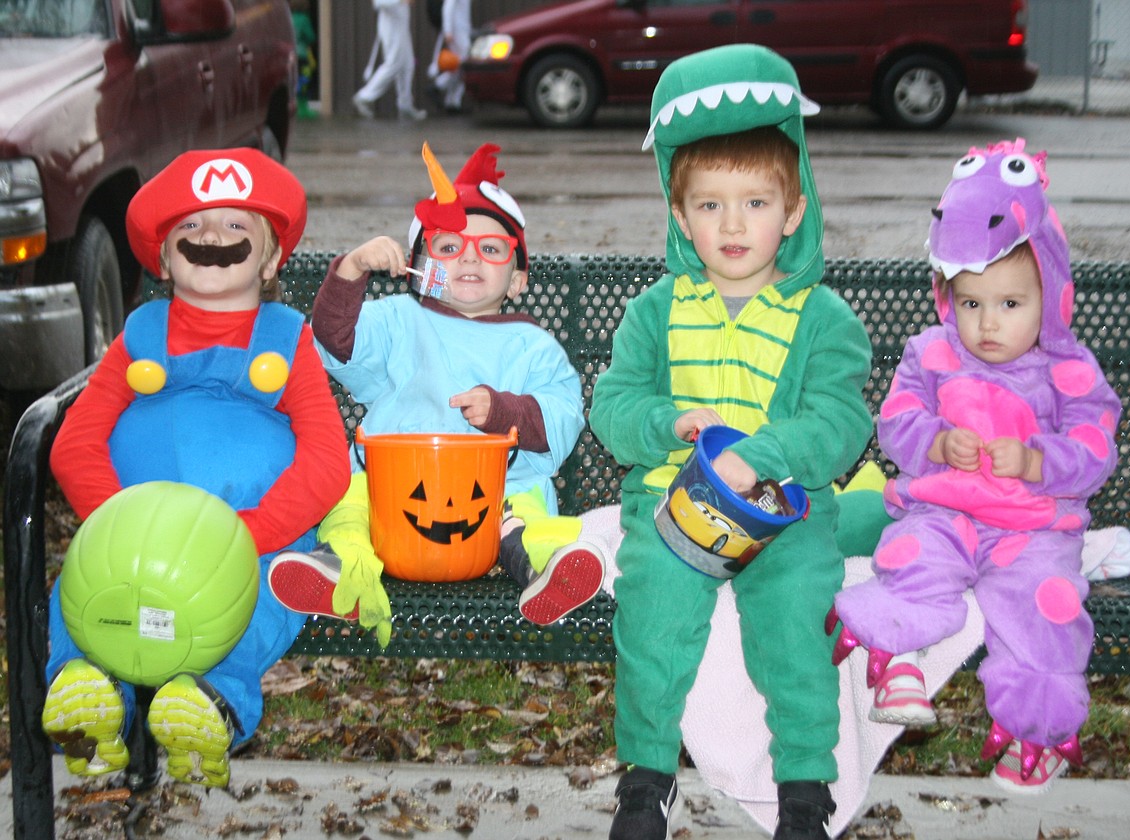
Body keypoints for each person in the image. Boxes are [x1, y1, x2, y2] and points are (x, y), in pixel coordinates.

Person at [588, 45, 873, 840]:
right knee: (652, 618)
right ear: (680, 217)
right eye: (710, 206)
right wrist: (661, 425)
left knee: (793, 620)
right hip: (674, 506)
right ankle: (646, 779)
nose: (733, 224)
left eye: (755, 203)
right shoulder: (656, 310)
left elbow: (842, 426)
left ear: (794, 209)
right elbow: (612, 405)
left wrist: (767, 453)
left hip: (784, 513)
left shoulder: (823, 318)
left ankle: (805, 792)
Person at [42, 148, 352, 786]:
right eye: (191, 226)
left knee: (280, 581)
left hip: (251, 536)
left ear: (269, 260)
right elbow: (76, 442)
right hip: (137, 537)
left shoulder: (286, 339)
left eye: (236, 227)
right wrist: (115, 523)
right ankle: (88, 690)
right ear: (163, 257)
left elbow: (327, 457)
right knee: (85, 577)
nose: (211, 238)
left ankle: (213, 699)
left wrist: (251, 532)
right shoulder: (141, 334)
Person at [829, 139, 1122, 795]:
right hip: (944, 513)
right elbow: (895, 422)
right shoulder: (931, 354)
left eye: (1010, 305)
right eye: (971, 304)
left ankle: (1037, 729)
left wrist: (1038, 458)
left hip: (1033, 529)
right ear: (946, 296)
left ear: (1049, 295)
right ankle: (895, 659)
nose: (988, 324)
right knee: (911, 555)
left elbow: (1097, 448)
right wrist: (934, 442)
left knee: (1044, 605)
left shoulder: (1067, 368)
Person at [266, 142, 605, 635]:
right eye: (449, 246)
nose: (469, 257)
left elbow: (564, 414)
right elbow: (338, 341)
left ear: (517, 280)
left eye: (491, 249)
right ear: (418, 270)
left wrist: (504, 411)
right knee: (349, 497)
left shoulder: (534, 347)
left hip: (489, 497)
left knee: (524, 511)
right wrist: (351, 270)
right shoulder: (400, 320)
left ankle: (545, 568)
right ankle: (341, 569)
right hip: (391, 491)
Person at [353, 0, 428, 121]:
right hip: (391, 29)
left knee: (408, 64)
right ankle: (364, 97)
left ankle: (405, 104)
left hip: (401, 27)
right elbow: (378, 3)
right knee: (393, 64)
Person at [427, 0, 470, 112]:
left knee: (456, 65)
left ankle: (452, 102)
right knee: (464, 65)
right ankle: (437, 87)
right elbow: (448, 6)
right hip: (458, 31)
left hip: (462, 29)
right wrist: (448, 30)